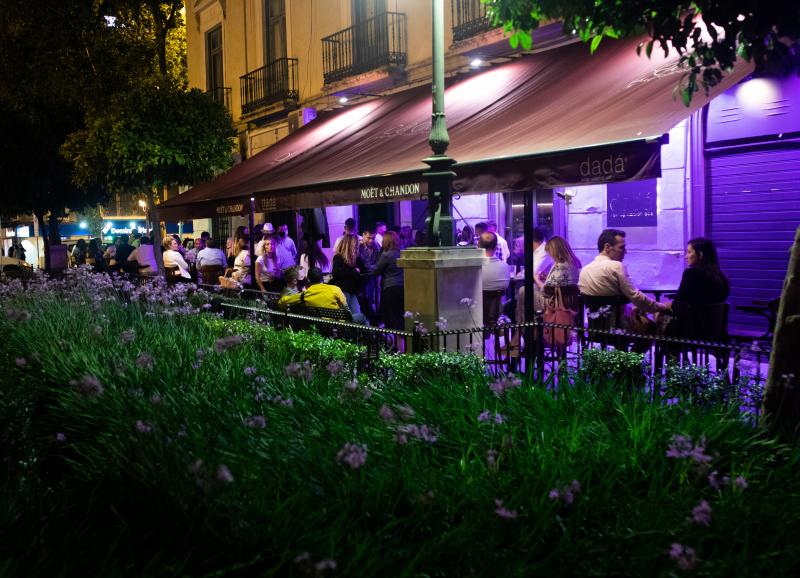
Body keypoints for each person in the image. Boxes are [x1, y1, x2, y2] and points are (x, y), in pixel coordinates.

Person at [578, 229, 669, 325]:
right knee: (650, 326)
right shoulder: (616, 266)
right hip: (619, 330)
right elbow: (636, 297)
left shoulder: (584, 270)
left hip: (595, 331)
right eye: (622, 248)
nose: (625, 252)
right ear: (607, 247)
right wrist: (662, 307)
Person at [516, 235, 581, 323]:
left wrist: (536, 278)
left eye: (550, 252)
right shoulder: (573, 263)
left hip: (555, 303)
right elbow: (561, 282)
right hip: (570, 301)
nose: (550, 255)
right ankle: (523, 328)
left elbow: (546, 290)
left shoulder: (560, 266)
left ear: (555, 251)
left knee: (523, 291)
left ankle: (524, 329)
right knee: (524, 295)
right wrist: (546, 277)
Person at [279, 267, 368, 325]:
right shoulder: (335, 289)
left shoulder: (304, 295)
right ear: (322, 279)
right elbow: (347, 311)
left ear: (309, 281)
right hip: (338, 325)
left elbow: (281, 302)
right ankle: (373, 340)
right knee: (361, 317)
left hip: (319, 325)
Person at [330, 233, 367, 321]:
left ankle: (359, 333)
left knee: (357, 314)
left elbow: (364, 270)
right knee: (348, 316)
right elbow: (336, 274)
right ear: (350, 245)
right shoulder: (338, 258)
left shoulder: (356, 258)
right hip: (343, 291)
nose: (358, 246)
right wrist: (354, 272)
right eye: (356, 244)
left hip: (353, 291)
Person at [372, 231, 404, 330]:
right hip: (402, 286)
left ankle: (393, 342)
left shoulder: (386, 255)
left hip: (389, 287)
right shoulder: (401, 253)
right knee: (400, 315)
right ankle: (401, 343)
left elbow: (376, 271)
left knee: (390, 317)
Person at [478, 232, 510, 326]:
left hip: (476, 314)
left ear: (478, 245)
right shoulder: (505, 267)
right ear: (496, 247)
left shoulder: (476, 269)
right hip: (498, 314)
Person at [358, 227, 381, 323]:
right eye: (368, 238)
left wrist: (371, 268)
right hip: (360, 277)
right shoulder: (358, 246)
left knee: (371, 298)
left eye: (373, 238)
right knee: (361, 299)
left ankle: (372, 321)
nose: (371, 240)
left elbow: (379, 262)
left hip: (372, 276)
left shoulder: (376, 246)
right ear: (363, 235)